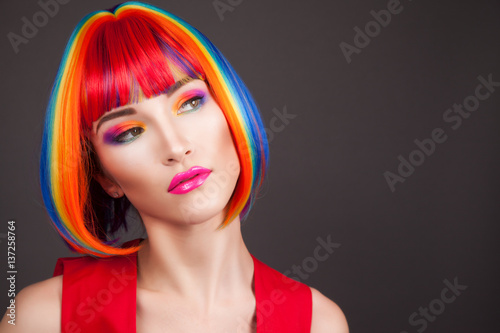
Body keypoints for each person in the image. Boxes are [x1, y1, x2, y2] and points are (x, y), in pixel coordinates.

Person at [0, 2, 348, 332]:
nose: (176, 147)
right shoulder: (41, 319)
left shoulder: (319, 323)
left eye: (191, 102)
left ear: (230, 108)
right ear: (105, 176)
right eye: (129, 132)